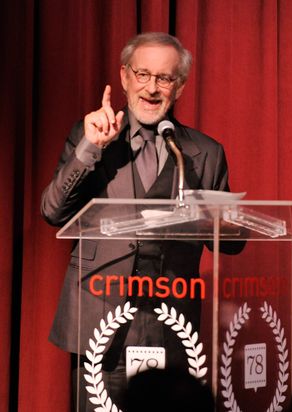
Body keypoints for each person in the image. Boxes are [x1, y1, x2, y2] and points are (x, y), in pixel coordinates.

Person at [41, 32, 241, 411]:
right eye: (143, 74)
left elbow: (228, 242)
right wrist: (90, 149)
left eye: (164, 78)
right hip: (100, 319)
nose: (151, 88)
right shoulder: (91, 138)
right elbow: (53, 212)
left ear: (179, 87)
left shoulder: (206, 152)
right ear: (124, 77)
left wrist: (221, 218)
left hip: (172, 322)